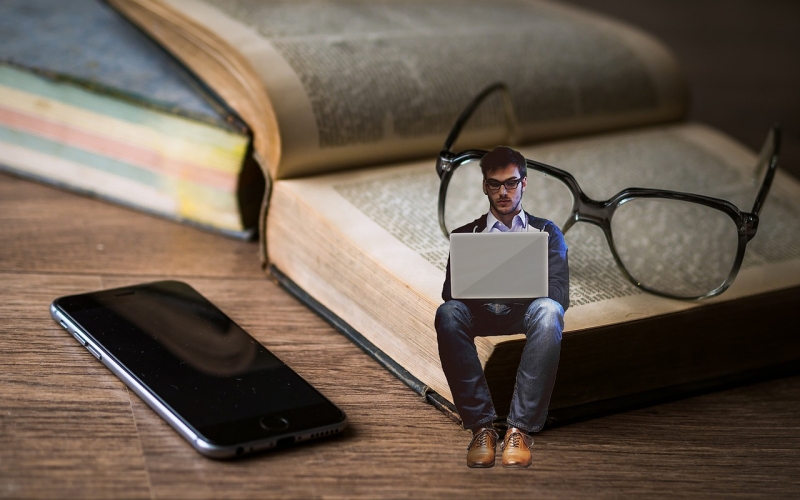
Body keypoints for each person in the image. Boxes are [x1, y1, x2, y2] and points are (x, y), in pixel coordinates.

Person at [436, 146, 569, 468]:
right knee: (448, 314)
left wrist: (510, 284)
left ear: (524, 183)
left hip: (525, 311)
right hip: (481, 312)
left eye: (511, 183)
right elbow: (450, 292)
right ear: (485, 186)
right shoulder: (466, 234)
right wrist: (485, 282)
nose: (503, 192)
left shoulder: (547, 232)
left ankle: (519, 429)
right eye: (495, 184)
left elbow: (560, 293)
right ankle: (482, 428)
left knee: (549, 311)